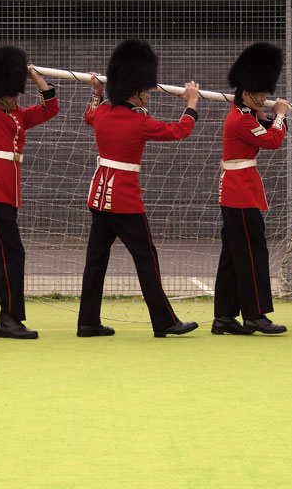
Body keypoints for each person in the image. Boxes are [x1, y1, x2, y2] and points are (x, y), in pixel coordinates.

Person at [77, 38, 202, 338]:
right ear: (135, 91)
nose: (148, 94)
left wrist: (96, 93)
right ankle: (164, 321)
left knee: (96, 262)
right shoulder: (139, 122)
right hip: (125, 200)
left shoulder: (103, 114)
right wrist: (192, 102)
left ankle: (87, 321)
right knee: (147, 260)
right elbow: (180, 130)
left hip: (99, 197)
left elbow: (88, 116)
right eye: (145, 90)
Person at [0, 46, 59, 339]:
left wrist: (32, 75)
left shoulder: (17, 116)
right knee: (13, 253)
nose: (15, 97)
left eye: (17, 91)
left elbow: (50, 108)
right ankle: (10, 318)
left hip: (7, 193)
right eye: (10, 91)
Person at [212, 42, 290, 335]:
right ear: (245, 93)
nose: (264, 97)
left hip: (239, 191)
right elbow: (273, 141)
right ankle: (256, 315)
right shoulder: (240, 119)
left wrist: (268, 117)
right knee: (253, 255)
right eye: (259, 93)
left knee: (233, 257)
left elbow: (267, 133)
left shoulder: (245, 116)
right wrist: (280, 114)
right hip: (240, 194)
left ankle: (224, 317)